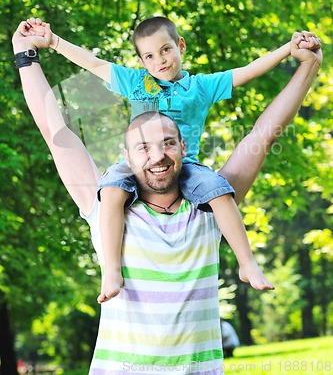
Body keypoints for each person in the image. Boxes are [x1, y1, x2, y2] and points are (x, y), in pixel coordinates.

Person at [12, 22, 322, 374]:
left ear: (183, 148)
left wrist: (308, 64)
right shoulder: (105, 208)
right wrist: (27, 56)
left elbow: (264, 133)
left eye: (168, 143)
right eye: (143, 146)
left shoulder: (210, 208)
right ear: (127, 157)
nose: (157, 155)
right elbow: (55, 131)